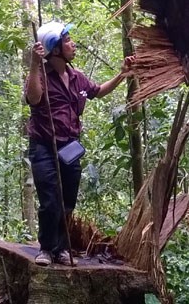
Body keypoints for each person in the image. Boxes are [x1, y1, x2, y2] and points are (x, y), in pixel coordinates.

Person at [24, 20, 134, 266]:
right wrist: (33, 63)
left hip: (70, 146)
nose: (73, 44)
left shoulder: (76, 77)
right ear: (54, 49)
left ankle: (61, 249)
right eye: (67, 40)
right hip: (44, 146)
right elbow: (33, 98)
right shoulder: (40, 76)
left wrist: (122, 75)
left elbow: (97, 91)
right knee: (50, 198)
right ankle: (46, 249)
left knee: (67, 199)